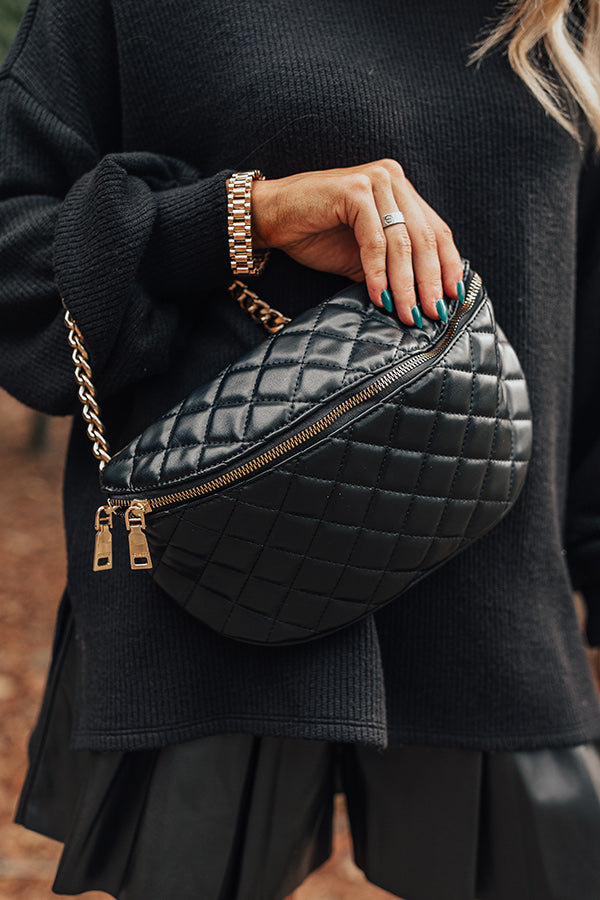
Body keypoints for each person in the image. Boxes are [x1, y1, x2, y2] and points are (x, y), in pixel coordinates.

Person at [1, 0, 600, 897]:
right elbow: (16, 257)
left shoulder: (560, 15)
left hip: (499, 610)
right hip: (213, 589)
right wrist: (246, 216)